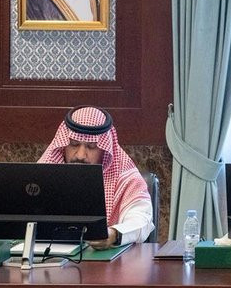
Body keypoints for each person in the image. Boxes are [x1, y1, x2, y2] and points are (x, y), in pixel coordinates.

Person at [38, 106, 153, 248]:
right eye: (74, 144)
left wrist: (114, 234)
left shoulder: (126, 178)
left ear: (104, 150)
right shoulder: (44, 175)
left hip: (105, 260)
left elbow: (142, 220)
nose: (80, 155)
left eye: (91, 147)